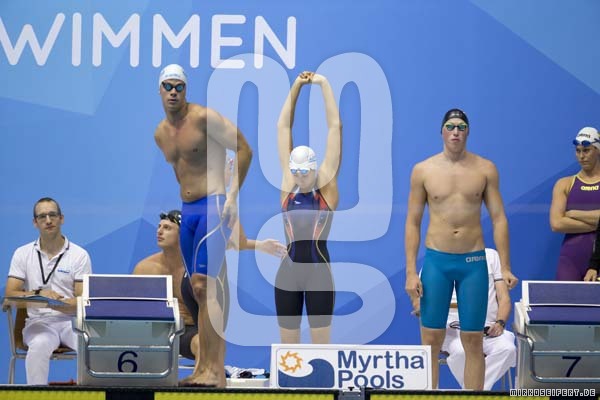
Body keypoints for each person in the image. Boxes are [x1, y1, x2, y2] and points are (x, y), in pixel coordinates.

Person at [154, 64, 252, 387]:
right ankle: (202, 368)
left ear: (186, 90)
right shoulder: (160, 134)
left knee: (208, 287)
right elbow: (181, 173)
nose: (173, 92)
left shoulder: (203, 118)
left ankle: (215, 370)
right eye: (168, 86)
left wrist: (232, 196)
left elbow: (244, 148)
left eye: (179, 87)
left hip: (213, 206)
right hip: (188, 210)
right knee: (197, 291)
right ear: (160, 90)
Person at [404, 108, 518, 390]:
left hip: (472, 263)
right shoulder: (423, 170)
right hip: (437, 263)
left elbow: (499, 218)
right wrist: (410, 272)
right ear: (441, 131)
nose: (456, 131)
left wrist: (505, 267)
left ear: (468, 132)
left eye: (461, 127)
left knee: (473, 340)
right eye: (451, 126)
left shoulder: (485, 169)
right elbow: (413, 222)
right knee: (430, 340)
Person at [275, 71, 342, 344]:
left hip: (319, 275)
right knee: (288, 352)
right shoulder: (287, 186)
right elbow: (283, 127)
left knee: (320, 349)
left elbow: (335, 127)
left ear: (315, 169)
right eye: (296, 171)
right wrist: (296, 87)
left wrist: (323, 83)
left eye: (305, 172)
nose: (300, 176)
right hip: (287, 275)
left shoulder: (327, 189)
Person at [4, 197, 92, 385]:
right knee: (39, 344)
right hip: (38, 322)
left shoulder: (79, 255)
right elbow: (10, 295)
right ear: (35, 222)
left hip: (71, 322)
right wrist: (40, 296)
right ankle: (37, 395)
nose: (48, 220)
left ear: (62, 218)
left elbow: (83, 300)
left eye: (53, 215)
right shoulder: (22, 253)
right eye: (42, 216)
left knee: (89, 345)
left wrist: (58, 304)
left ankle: (93, 394)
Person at [440, 248, 516, 390]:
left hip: (489, 330)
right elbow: (425, 302)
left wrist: (500, 323)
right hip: (455, 333)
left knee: (508, 349)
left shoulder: (491, 256)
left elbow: (504, 299)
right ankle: (478, 393)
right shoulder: (437, 259)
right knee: (461, 352)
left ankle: (471, 393)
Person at [550, 127, 600, 281]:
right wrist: (597, 223)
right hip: (570, 260)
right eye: (578, 151)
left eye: (586, 150)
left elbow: (564, 219)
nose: (581, 156)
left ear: (598, 150)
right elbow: (556, 224)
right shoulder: (564, 184)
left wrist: (573, 214)